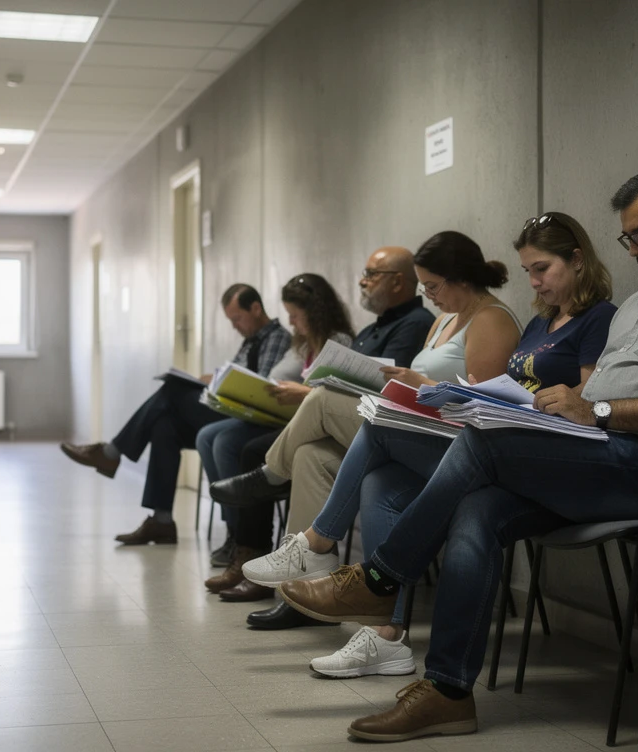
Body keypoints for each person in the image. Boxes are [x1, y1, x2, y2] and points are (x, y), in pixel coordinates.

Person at [280, 166, 638, 743]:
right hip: (604, 453)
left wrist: (596, 411)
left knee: (482, 442)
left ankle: (380, 579)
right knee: (479, 508)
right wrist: (553, 413)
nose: (634, 249)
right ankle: (447, 693)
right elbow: (597, 396)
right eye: (628, 237)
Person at [256, 211, 615, 679]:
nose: (533, 281)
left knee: (378, 425)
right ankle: (386, 635)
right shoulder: (538, 324)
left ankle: (320, 542)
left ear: (578, 260)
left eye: (541, 269)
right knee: (380, 482)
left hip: (528, 454)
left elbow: (586, 401)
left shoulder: (597, 318)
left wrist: (474, 396)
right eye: (528, 270)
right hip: (492, 440)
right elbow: (504, 389)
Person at [213, 231, 524, 625]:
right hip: (419, 433)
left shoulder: (491, 319)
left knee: (327, 402)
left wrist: (421, 384)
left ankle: (292, 506)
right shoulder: (445, 319)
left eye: (431, 286)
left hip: (460, 448)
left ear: (459, 278)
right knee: (315, 457)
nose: (428, 295)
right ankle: (346, 609)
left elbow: (486, 409)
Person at [201, 246, 437, 584]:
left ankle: (269, 475)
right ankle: (302, 586)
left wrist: (324, 386)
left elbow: (386, 387)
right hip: (361, 428)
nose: (362, 281)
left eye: (371, 275)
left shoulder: (415, 323)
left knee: (318, 401)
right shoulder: (372, 330)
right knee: (307, 454)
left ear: (398, 282)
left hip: (389, 431)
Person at [60, 284, 291, 545]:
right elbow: (233, 374)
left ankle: (111, 453)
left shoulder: (276, 338)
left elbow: (260, 387)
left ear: (256, 309)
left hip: (248, 418)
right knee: (164, 426)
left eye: (237, 319)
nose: (235, 326)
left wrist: (216, 383)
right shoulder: (250, 341)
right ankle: (162, 521)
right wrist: (209, 379)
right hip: (228, 410)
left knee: (172, 391)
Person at [200, 274, 355, 601]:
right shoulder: (303, 343)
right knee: (235, 443)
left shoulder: (338, 342)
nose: (291, 322)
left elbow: (335, 396)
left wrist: (301, 392)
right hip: (294, 421)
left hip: (323, 429)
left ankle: (255, 545)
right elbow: (278, 378)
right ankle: (247, 552)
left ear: (315, 312)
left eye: (295, 315)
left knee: (251, 451)